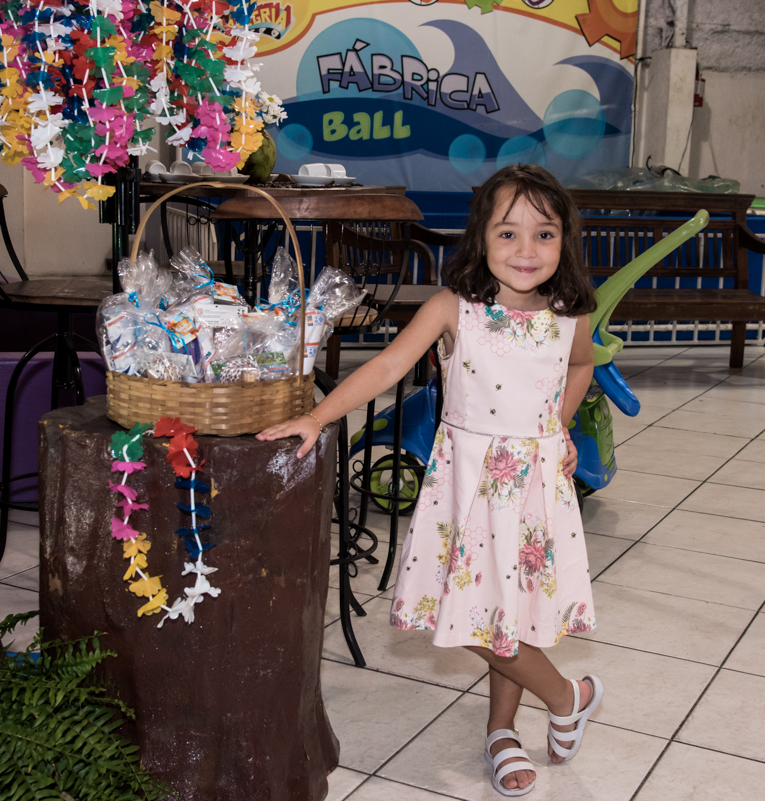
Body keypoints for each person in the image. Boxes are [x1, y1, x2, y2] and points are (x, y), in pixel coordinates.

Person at [258, 164, 603, 796]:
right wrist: (315, 415)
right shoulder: (454, 309)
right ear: (480, 240)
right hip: (469, 487)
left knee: (512, 615)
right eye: (508, 234)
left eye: (544, 234)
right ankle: (568, 693)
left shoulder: (571, 312)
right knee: (475, 616)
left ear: (565, 241)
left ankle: (503, 731)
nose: (526, 251)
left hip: (532, 491)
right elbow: (389, 365)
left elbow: (579, 366)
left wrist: (558, 426)